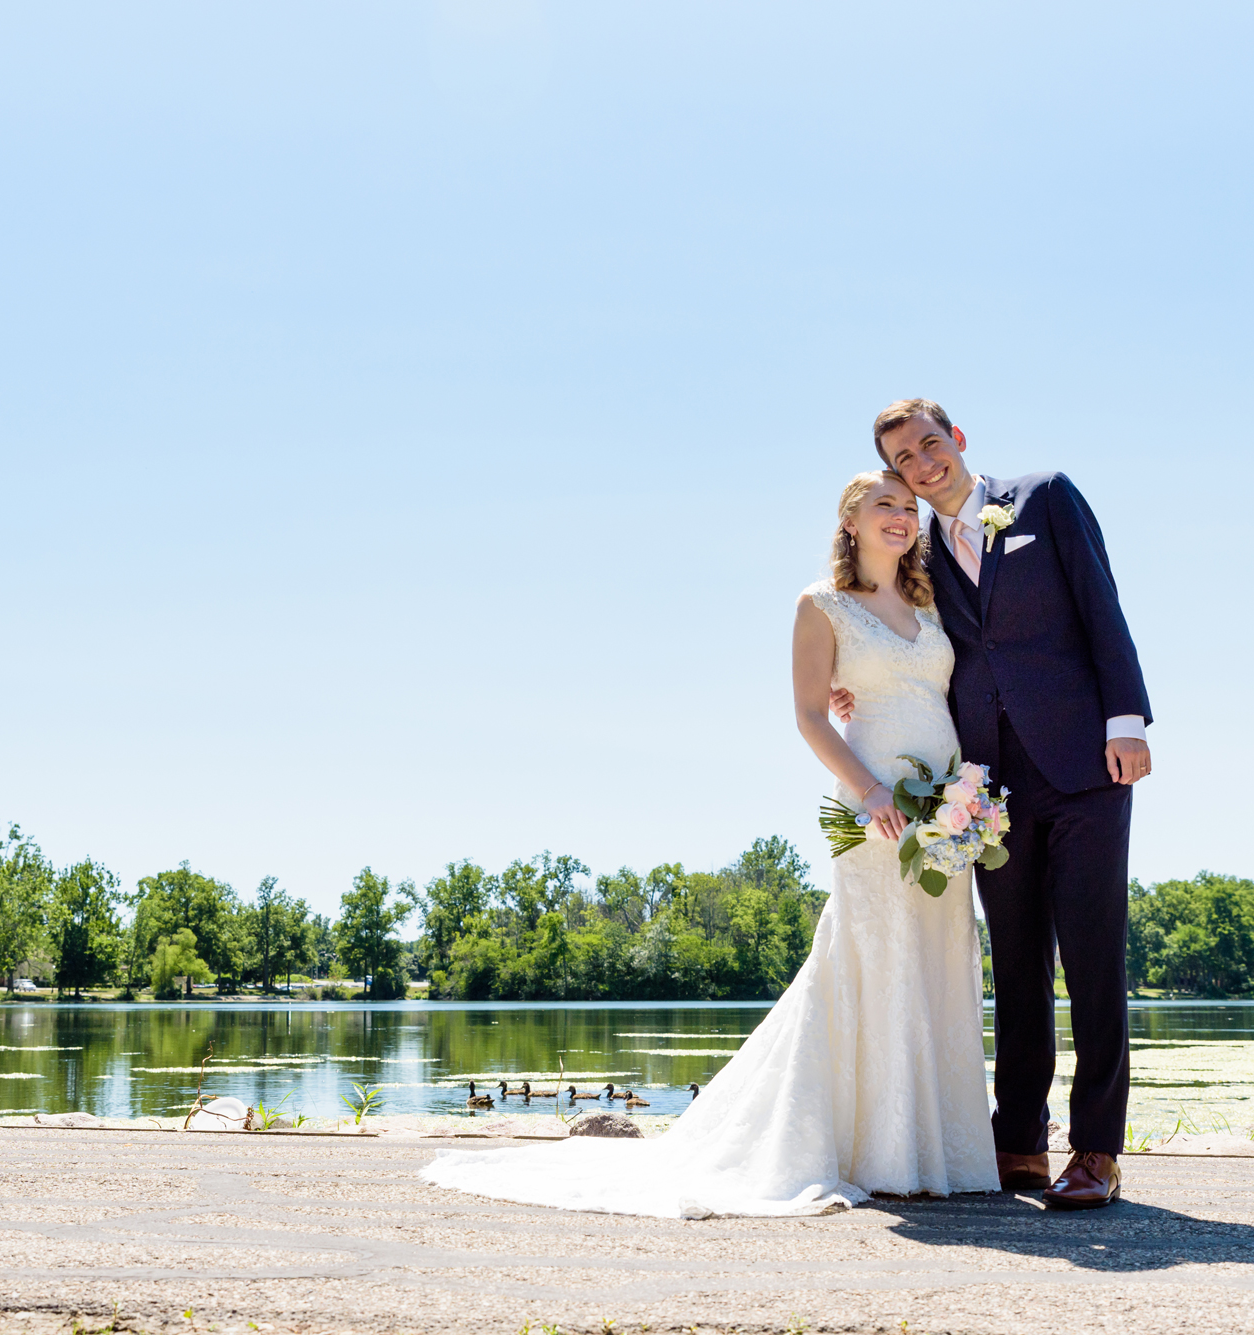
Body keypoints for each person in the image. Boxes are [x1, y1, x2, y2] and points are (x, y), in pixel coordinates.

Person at [416, 471, 998, 1217]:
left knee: (938, 957)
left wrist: (964, 800)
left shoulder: (929, 602)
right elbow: (811, 716)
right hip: (875, 804)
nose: (901, 514)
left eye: (908, 506)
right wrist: (875, 790)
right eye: (884, 503)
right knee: (871, 955)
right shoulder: (821, 606)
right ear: (849, 520)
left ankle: (938, 1152)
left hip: (946, 813)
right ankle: (875, 1149)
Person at [832, 398, 1152, 1211]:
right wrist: (850, 678)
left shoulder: (1045, 496)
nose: (922, 465)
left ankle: (1097, 1151)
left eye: (929, 445)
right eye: (904, 460)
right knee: (1014, 967)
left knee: (1092, 959)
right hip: (987, 788)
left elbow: (1101, 606)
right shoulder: (918, 552)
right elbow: (893, 629)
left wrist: (1127, 719)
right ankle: (1020, 1143)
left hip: (1086, 763)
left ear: (958, 440)